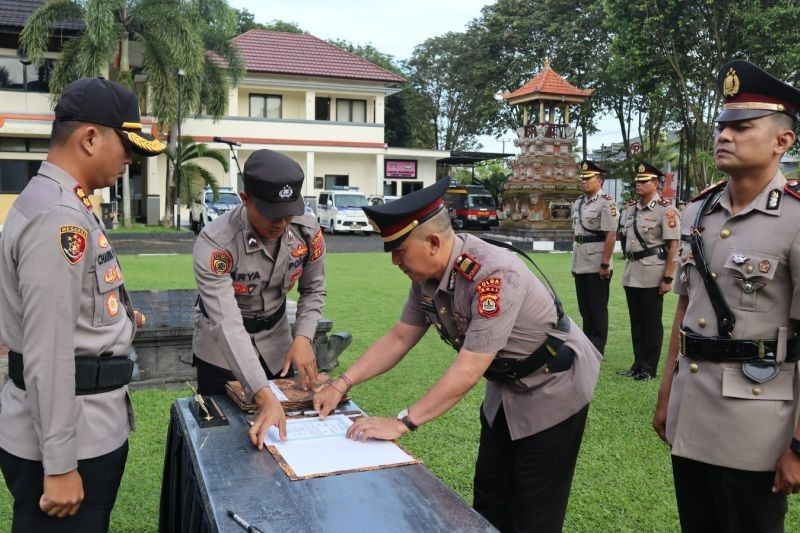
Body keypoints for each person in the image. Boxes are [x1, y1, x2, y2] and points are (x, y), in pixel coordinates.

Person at [312, 178, 602, 533]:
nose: (394, 261)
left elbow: (468, 369)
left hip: (555, 385)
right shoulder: (425, 279)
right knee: (490, 498)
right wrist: (341, 383)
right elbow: (401, 337)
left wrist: (402, 422)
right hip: (506, 388)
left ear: (433, 242)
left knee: (534, 509)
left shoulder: (494, 274)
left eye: (400, 250)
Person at [0, 77, 162, 531]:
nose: (129, 160)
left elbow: (67, 310)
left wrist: (115, 321)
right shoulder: (60, 218)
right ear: (90, 138)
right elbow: (47, 349)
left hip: (84, 420)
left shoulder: (65, 202)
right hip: (71, 437)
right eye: (126, 147)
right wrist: (58, 465)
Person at [653, 60, 800, 532]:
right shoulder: (700, 210)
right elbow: (684, 309)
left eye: (741, 126)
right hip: (691, 410)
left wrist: (798, 446)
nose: (724, 135)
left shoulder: (796, 220)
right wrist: (665, 396)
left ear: (783, 141)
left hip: (755, 426)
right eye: (722, 126)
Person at [192, 149, 326, 447]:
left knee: (281, 438)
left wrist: (303, 337)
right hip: (220, 352)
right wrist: (261, 393)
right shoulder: (217, 243)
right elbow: (227, 323)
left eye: (288, 211)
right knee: (223, 441)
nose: (281, 223)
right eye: (270, 212)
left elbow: (314, 288)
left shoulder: (306, 230)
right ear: (245, 199)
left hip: (278, 342)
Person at [616, 162, 680, 381]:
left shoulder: (666, 210)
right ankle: (637, 364)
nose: (639, 185)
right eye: (637, 181)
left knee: (651, 322)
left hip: (653, 273)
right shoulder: (630, 209)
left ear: (655, 183)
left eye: (644, 182)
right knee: (637, 322)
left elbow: (674, 246)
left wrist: (668, 277)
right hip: (632, 271)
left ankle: (648, 368)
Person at [571, 160, 618, 354]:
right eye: (582, 178)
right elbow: (576, 234)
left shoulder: (606, 202)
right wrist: (573, 264)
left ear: (599, 181)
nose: (584, 181)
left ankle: (597, 349)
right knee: (585, 308)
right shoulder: (578, 202)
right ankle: (587, 345)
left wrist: (605, 263)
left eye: (588, 178)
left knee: (598, 308)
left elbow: (611, 235)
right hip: (580, 260)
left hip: (597, 262)